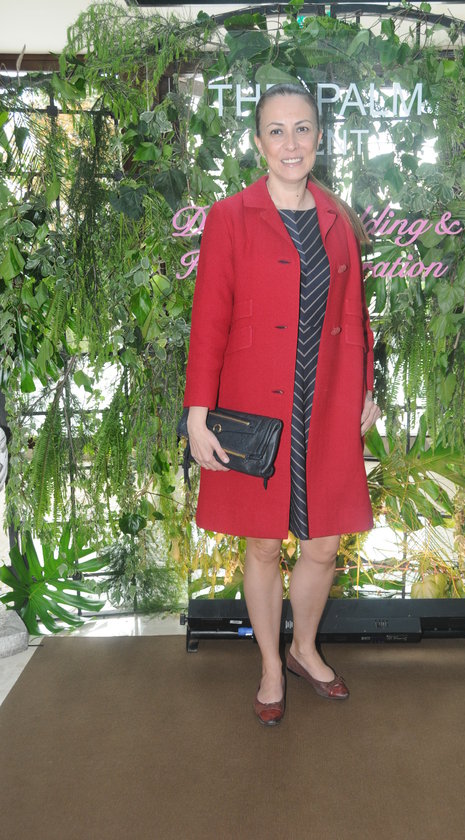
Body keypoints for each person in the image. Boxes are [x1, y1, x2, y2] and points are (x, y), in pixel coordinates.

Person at [182, 83, 381, 726]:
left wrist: (366, 387)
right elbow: (209, 319)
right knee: (264, 545)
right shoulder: (229, 217)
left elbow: (356, 314)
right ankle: (271, 664)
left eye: (302, 129)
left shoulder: (338, 218)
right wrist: (197, 411)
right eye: (277, 130)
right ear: (258, 142)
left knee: (323, 544)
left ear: (319, 136)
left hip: (325, 402)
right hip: (255, 405)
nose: (291, 143)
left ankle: (304, 648)